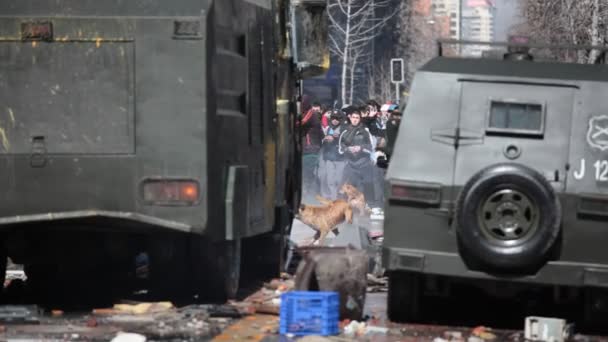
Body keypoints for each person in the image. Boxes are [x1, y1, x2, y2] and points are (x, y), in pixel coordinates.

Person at [338, 109, 375, 206]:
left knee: (367, 185)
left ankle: (369, 206)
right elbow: (340, 148)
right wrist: (348, 149)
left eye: (357, 118)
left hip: (364, 163)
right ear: (350, 118)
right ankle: (347, 207)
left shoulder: (365, 131)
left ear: (360, 119)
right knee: (348, 187)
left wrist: (361, 148)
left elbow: (371, 146)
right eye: (353, 117)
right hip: (351, 164)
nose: (355, 120)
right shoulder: (345, 131)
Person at [318, 111, 347, 200]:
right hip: (329, 158)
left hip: (340, 158)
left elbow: (347, 141)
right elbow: (323, 140)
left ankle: (340, 197)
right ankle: (334, 199)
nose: (334, 120)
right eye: (333, 118)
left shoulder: (344, 129)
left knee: (339, 179)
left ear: (341, 119)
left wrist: (335, 138)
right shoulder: (329, 128)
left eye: (337, 118)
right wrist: (325, 139)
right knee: (330, 180)